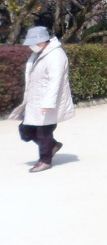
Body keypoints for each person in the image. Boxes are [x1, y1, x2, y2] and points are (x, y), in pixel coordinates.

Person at [10, 26, 75, 173]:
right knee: (25, 130)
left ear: (42, 41)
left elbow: (55, 81)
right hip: (35, 100)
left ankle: (45, 160)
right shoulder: (40, 54)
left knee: (43, 132)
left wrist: (48, 103)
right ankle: (52, 146)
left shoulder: (56, 55)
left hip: (47, 102)